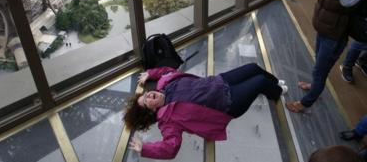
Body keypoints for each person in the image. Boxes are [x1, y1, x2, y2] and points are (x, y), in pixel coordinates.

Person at [123, 63, 287, 159]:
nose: (149, 95)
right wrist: (144, 149)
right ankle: (277, 92)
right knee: (259, 82)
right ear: (151, 111)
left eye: (145, 95)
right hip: (229, 104)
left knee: (254, 68)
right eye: (146, 101)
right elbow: (170, 148)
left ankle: (275, 84)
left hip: (221, 82)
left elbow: (166, 71)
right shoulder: (168, 121)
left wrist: (150, 73)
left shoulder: (165, 84)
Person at [286, 0, 367, 113]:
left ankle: (305, 103)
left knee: (320, 72)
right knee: (318, 67)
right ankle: (315, 85)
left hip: (335, 36)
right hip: (323, 28)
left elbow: (348, 0)